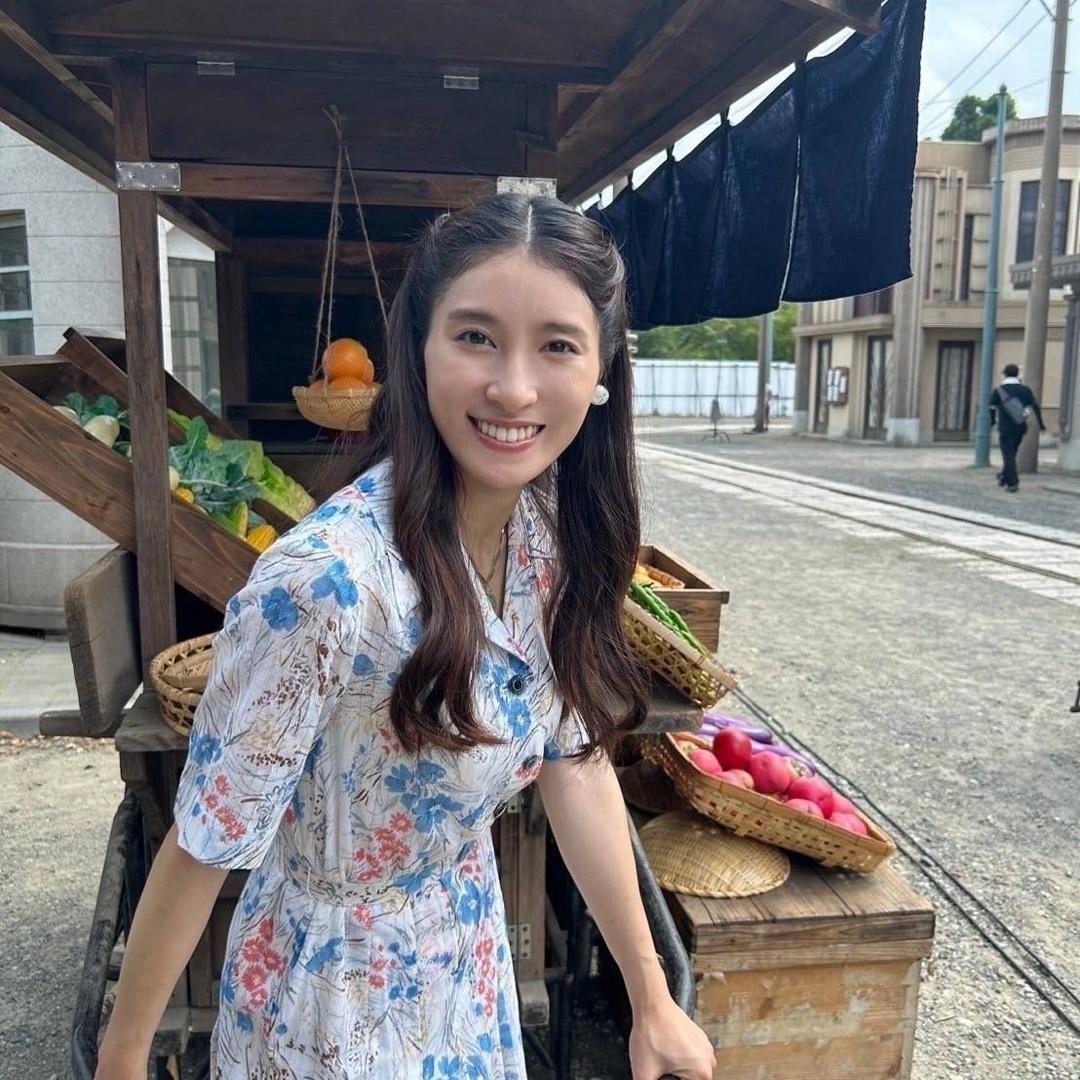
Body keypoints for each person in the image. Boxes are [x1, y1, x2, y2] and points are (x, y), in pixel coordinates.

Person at [94, 195, 717, 1080]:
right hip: (328, 1000)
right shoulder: (324, 586)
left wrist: (651, 997)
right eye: (475, 337)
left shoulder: (549, 545)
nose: (513, 387)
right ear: (418, 350)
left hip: (466, 956)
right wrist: (121, 1063)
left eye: (557, 345)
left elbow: (572, 761)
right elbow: (205, 839)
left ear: (602, 370)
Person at [989, 363, 1046, 492]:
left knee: (1008, 454)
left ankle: (1012, 482)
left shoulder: (999, 390)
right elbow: (1035, 406)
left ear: (1004, 374)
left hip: (1005, 426)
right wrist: (1041, 424)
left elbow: (991, 407)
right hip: (1020, 426)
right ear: (1018, 375)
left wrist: (992, 422)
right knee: (1012, 452)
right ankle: (1004, 476)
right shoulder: (1025, 390)